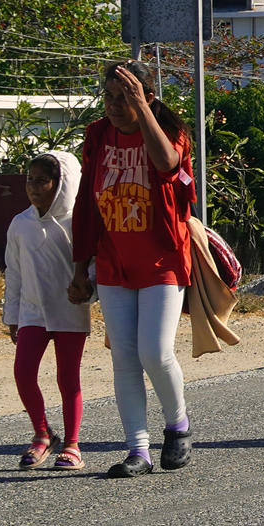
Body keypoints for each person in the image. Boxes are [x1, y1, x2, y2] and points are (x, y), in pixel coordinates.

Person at [70, 62, 196, 477]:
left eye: (126, 96)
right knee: (123, 358)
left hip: (163, 261)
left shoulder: (170, 132)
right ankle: (137, 451)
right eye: (109, 96)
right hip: (112, 264)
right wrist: (80, 264)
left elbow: (165, 165)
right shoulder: (97, 135)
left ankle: (177, 426)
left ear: (148, 97)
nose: (115, 105)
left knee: (154, 352)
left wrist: (144, 114)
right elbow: (88, 201)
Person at [6, 150, 88, 471]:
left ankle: (72, 444)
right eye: (30, 180)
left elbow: (91, 266)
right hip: (31, 313)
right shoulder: (19, 224)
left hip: (70, 312)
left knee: (68, 379)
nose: (33, 187)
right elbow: (13, 273)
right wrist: (11, 316)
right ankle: (42, 434)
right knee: (23, 373)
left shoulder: (77, 223)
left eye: (42, 181)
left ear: (61, 184)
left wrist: (88, 291)